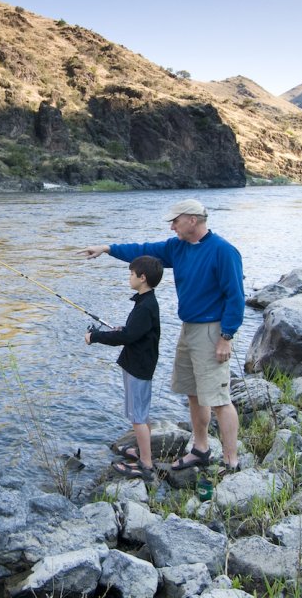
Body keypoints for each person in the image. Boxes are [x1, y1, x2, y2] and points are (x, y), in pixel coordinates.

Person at [79, 198, 245, 475]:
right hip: (188, 328)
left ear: (192, 220)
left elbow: (236, 297)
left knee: (218, 399)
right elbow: (143, 250)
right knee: (193, 393)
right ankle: (200, 449)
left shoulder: (224, 252)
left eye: (175, 221)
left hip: (213, 331)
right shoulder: (176, 248)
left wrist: (226, 337)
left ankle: (231, 461)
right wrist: (107, 249)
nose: (171, 226)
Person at [85, 256, 163, 481]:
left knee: (138, 416)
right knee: (141, 413)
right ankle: (143, 450)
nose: (129, 277)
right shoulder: (145, 302)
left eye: (131, 274)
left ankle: (146, 465)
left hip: (138, 367)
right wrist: (124, 329)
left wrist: (95, 337)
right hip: (139, 364)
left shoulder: (146, 306)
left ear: (142, 277)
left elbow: (127, 336)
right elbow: (134, 332)